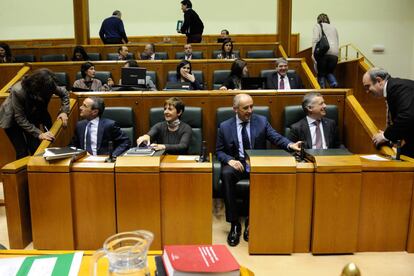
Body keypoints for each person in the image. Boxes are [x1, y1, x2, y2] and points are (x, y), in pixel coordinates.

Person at [216, 93, 301, 246]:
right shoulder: (225, 126)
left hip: (256, 161)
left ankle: (251, 221)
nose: (250, 110)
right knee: (226, 173)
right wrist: (230, 160)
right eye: (245, 108)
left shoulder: (261, 121)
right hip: (238, 162)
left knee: (263, 173)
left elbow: (276, 137)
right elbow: (219, 151)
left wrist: (290, 145)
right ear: (235, 109)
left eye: (251, 106)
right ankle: (234, 223)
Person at [0, 68, 70, 159]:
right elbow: (20, 118)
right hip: (12, 119)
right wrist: (39, 133)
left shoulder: (49, 85)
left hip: (31, 115)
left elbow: (64, 93)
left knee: (35, 148)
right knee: (22, 151)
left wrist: (64, 111)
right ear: (37, 87)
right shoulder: (18, 90)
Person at [362, 68, 414, 157]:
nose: (367, 92)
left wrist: (385, 136)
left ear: (379, 81)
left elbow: (407, 117)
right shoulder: (393, 88)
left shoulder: (399, 88)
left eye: (368, 86)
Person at [312, 13, 339, 88]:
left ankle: (322, 90)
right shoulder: (334, 28)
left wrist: (313, 54)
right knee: (329, 72)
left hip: (323, 52)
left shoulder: (318, 26)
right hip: (335, 54)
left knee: (321, 73)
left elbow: (315, 39)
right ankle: (334, 83)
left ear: (318, 20)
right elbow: (337, 41)